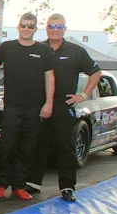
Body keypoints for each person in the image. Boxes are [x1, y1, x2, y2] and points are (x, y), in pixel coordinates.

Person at [0, 12, 54, 199]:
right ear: (18, 27)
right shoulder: (8, 47)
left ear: (35, 29)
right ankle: (0, 185)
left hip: (34, 109)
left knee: (27, 148)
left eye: (30, 26)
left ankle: (19, 186)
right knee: (7, 147)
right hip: (12, 107)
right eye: (24, 25)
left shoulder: (43, 50)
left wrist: (49, 103)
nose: (26, 29)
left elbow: (49, 77)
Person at [25, 14, 101, 202]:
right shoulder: (38, 49)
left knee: (65, 147)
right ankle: (33, 183)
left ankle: (67, 187)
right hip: (40, 105)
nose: (55, 30)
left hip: (63, 105)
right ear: (46, 28)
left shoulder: (76, 51)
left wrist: (84, 94)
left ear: (65, 29)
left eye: (59, 27)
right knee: (37, 144)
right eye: (51, 26)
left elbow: (95, 72)